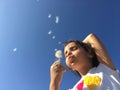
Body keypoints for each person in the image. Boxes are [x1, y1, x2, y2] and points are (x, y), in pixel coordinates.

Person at [49, 33, 120, 90]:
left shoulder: (104, 68)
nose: (68, 53)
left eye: (74, 48)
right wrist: (54, 81)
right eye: (65, 54)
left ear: (90, 54)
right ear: (71, 68)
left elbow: (91, 37)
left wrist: (83, 45)